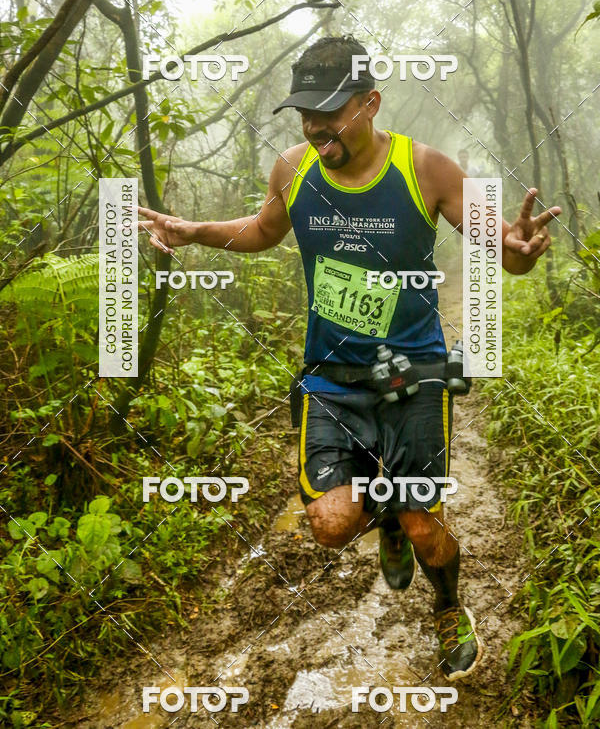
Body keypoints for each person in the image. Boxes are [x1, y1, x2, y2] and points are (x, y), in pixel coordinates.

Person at [138, 35, 560, 680]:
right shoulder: (292, 168)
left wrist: (520, 250)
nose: (314, 127)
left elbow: (505, 249)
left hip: (415, 374)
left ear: (370, 103)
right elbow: (263, 229)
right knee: (332, 524)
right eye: (305, 113)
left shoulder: (429, 169)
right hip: (330, 378)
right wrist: (194, 232)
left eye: (329, 112)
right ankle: (385, 511)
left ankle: (448, 605)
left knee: (424, 527)